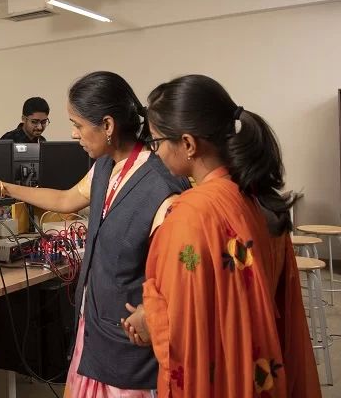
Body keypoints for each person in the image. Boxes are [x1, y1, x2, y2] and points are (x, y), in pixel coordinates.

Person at [0, 71, 188, 397]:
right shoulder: (106, 166)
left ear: (107, 126)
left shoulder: (161, 183)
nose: (73, 133)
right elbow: (67, 200)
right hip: (96, 324)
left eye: (78, 125)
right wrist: (0, 186)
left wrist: (152, 312)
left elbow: (182, 269)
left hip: (131, 339)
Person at [121, 75, 321, 398]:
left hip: (222, 381)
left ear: (188, 144)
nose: (154, 153)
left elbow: (182, 327)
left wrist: (149, 321)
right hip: (260, 372)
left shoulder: (191, 214)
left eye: (157, 142)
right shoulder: (258, 196)